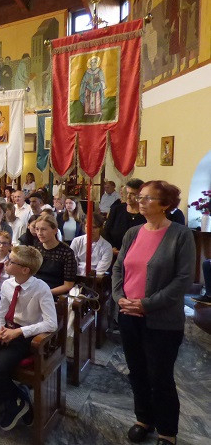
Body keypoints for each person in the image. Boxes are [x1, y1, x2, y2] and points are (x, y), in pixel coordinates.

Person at [112, 181, 195, 445]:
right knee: (136, 371)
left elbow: (183, 280)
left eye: (147, 198)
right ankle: (143, 419)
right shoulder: (133, 232)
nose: (140, 202)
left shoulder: (181, 235)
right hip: (129, 316)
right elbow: (118, 269)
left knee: (160, 376)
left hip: (161, 321)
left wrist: (146, 304)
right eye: (140, 197)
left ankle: (167, 431)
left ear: (165, 205)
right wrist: (119, 297)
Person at [0, 245, 57, 432]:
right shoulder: (8, 284)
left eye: (11, 261)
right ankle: (14, 400)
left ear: (25, 270)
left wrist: (18, 332)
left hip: (24, 336)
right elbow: (1, 313)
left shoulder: (41, 288)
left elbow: (51, 323)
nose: (5, 262)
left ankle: (13, 402)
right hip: (5, 329)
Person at [34, 214, 77, 296]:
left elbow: (68, 285)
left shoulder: (66, 252)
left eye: (43, 229)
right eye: (37, 229)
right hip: (35, 290)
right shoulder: (36, 248)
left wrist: (46, 293)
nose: (39, 233)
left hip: (55, 293)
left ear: (55, 230)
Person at [104, 178, 146, 254]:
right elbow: (106, 231)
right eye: (127, 193)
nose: (128, 196)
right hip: (116, 253)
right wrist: (112, 247)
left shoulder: (146, 213)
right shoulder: (117, 209)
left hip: (139, 254)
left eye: (133, 194)